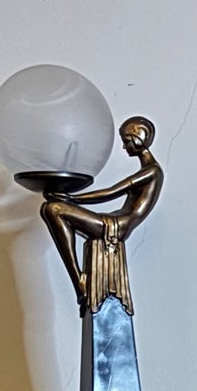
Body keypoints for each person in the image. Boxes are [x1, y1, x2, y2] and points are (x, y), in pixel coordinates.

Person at [40, 117, 162, 315]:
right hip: (112, 220)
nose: (124, 146)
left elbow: (112, 191)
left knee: (54, 210)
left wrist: (72, 199)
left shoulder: (152, 172)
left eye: (127, 140)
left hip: (116, 227)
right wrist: (70, 199)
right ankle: (79, 278)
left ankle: (79, 279)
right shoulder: (149, 171)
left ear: (139, 138)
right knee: (49, 209)